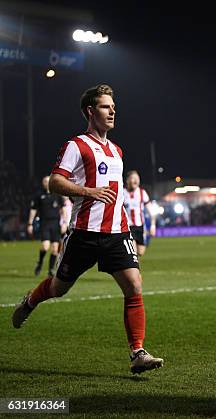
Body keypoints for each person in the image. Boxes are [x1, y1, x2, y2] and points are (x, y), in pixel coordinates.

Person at [12, 84, 164, 374]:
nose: (113, 111)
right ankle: (30, 301)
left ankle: (137, 352)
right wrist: (89, 191)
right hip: (84, 233)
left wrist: (126, 225)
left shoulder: (117, 151)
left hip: (117, 232)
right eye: (106, 107)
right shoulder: (76, 145)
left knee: (134, 285)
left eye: (114, 107)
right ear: (90, 111)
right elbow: (56, 182)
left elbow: (116, 194)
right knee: (58, 288)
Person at [27, 176, 68, 277]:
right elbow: (33, 210)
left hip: (55, 224)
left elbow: (63, 210)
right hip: (44, 224)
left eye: (48, 181)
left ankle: (50, 270)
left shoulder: (57, 195)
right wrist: (30, 223)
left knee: (55, 249)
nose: (46, 183)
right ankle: (40, 263)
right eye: (45, 181)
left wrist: (64, 223)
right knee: (45, 247)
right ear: (43, 183)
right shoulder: (39, 195)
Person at [123, 170, 156, 256]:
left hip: (140, 227)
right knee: (132, 253)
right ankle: (132, 268)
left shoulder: (142, 192)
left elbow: (151, 211)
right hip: (128, 227)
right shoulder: (122, 193)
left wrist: (152, 225)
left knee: (140, 252)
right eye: (133, 178)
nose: (136, 181)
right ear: (127, 180)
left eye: (137, 179)